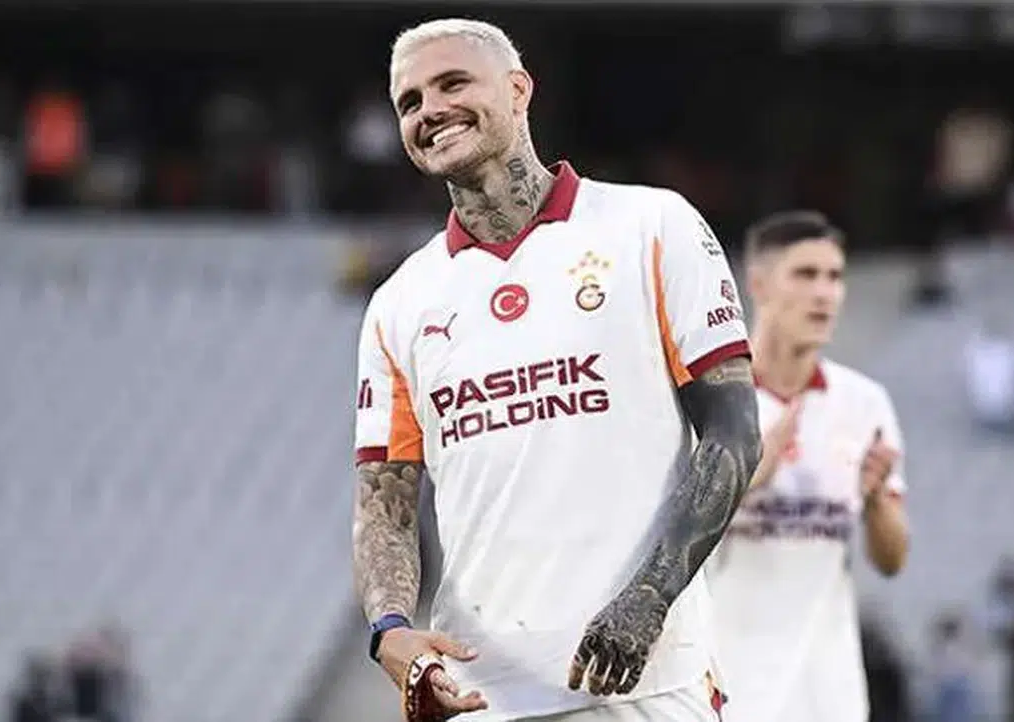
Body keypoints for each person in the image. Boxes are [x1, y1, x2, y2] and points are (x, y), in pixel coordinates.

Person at [350, 18, 762, 722]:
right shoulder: (400, 302)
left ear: (519, 91)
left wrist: (648, 599)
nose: (431, 110)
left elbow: (735, 433)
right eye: (410, 102)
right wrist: (390, 629)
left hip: (648, 684)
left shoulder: (651, 227)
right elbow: (384, 501)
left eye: (452, 83)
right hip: (482, 696)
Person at [705, 211, 911, 722]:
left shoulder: (864, 403)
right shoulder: (712, 402)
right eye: (805, 274)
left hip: (830, 693)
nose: (824, 293)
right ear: (758, 284)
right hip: (728, 686)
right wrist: (753, 474)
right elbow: (673, 533)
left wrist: (875, 502)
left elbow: (892, 561)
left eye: (835, 277)